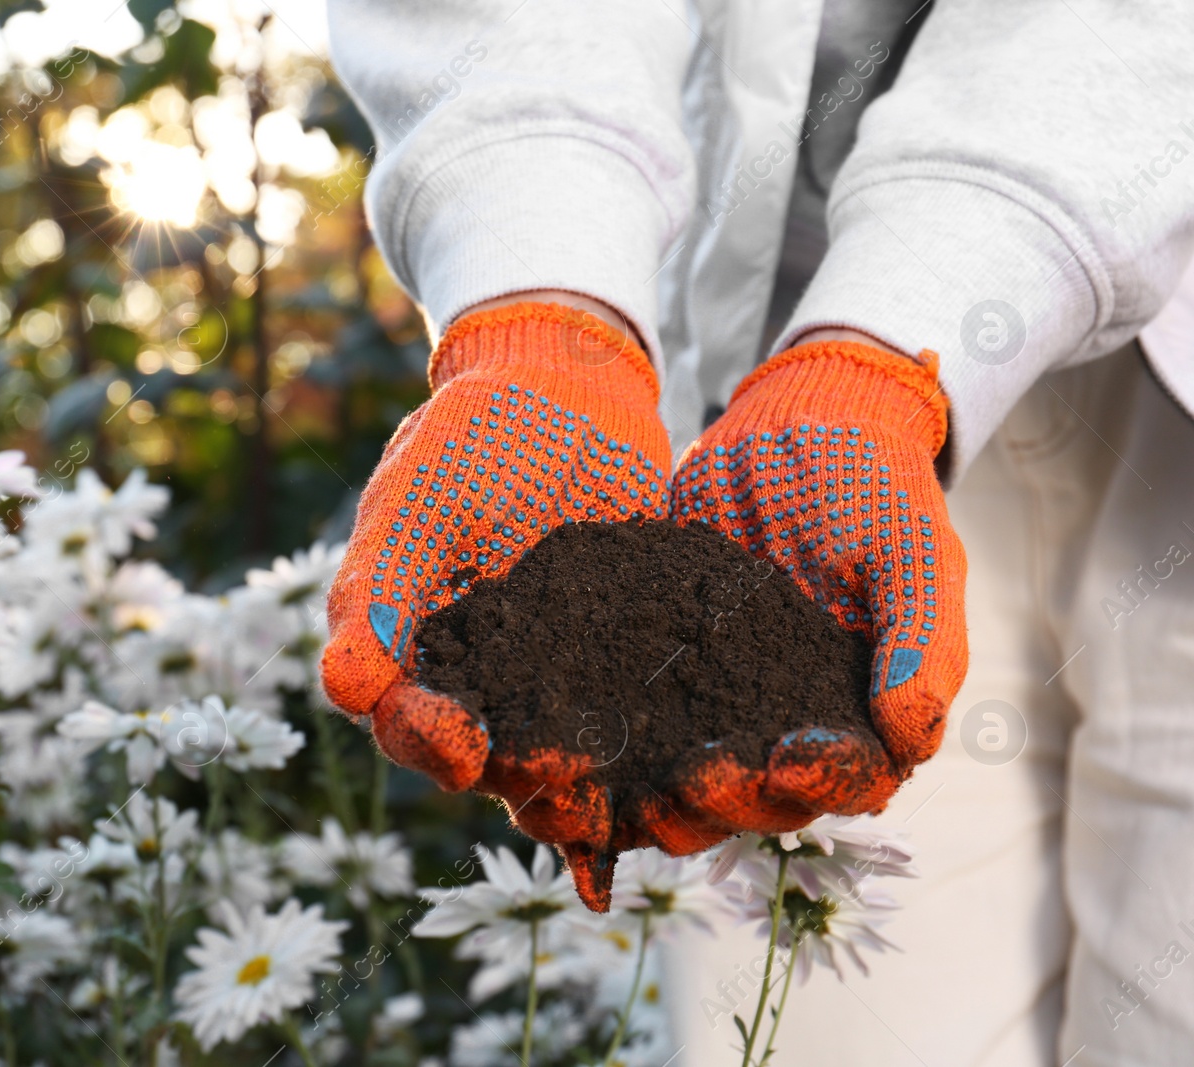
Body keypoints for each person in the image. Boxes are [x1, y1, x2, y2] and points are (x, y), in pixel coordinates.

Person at [317, 1, 1194, 1063]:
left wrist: (895, 334)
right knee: (815, 1031)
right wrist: (545, 302)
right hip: (791, 370)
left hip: (1165, 416)